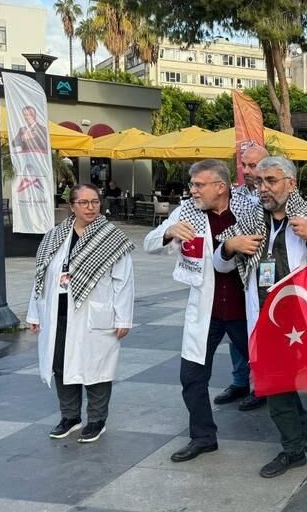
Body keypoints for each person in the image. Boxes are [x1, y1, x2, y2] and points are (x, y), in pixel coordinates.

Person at [217, 156, 307, 494]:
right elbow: (221, 267)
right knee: (278, 394)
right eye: (259, 182)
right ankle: (293, 450)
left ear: (291, 184)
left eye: (271, 181)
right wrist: (228, 247)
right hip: (268, 327)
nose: (263, 188)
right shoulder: (250, 219)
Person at [144, 159, 258, 462]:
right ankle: (203, 436)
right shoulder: (187, 213)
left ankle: (299, 432)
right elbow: (149, 243)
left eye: (199, 185)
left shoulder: (248, 210)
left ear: (220, 187)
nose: (192, 190)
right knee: (192, 377)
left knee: (268, 372)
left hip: (243, 310)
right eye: (192, 184)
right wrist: (169, 233)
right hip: (206, 311)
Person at [28, 184, 134, 442]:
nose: (90, 207)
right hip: (58, 312)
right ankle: (70, 417)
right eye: (83, 202)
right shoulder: (55, 236)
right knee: (61, 365)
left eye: (94, 202)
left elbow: (124, 281)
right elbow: (41, 276)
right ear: (72, 206)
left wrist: (123, 318)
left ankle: (97, 420)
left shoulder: (111, 238)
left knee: (97, 368)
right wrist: (34, 312)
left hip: (95, 314)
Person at [218, 144, 270, 412]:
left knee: (260, 333)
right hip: (233, 272)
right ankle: (240, 381)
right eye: (244, 165)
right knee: (236, 331)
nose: (247, 171)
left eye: (253, 165)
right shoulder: (234, 196)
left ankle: (261, 385)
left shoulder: (272, 194)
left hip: (264, 274)